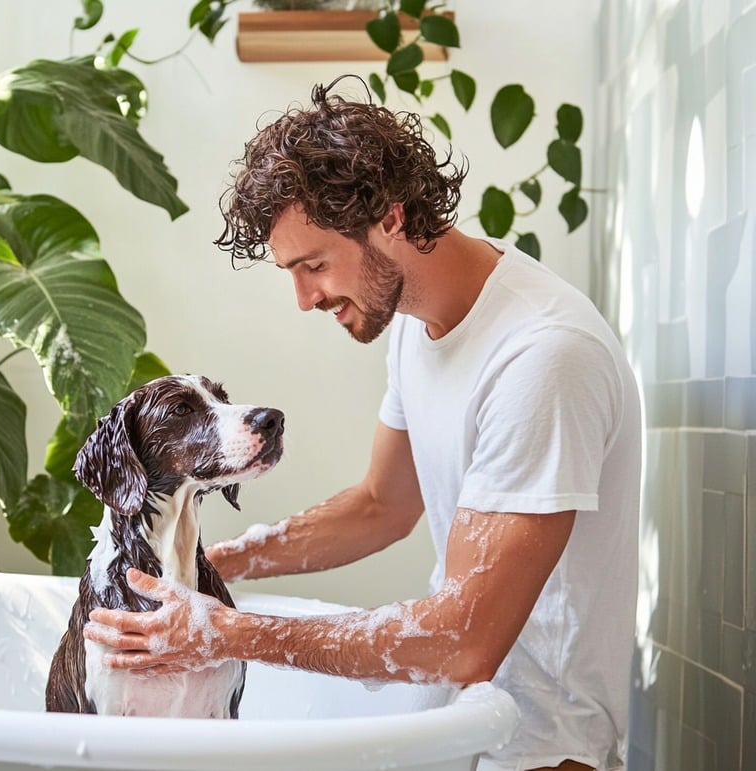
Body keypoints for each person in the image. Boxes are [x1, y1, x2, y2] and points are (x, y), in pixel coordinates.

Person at [83, 76, 641, 771]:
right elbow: (382, 506)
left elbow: (466, 638)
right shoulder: (417, 324)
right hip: (457, 724)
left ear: (392, 220)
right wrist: (208, 566)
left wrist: (230, 632)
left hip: (541, 748)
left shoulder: (541, 357)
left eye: (313, 265)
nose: (304, 297)